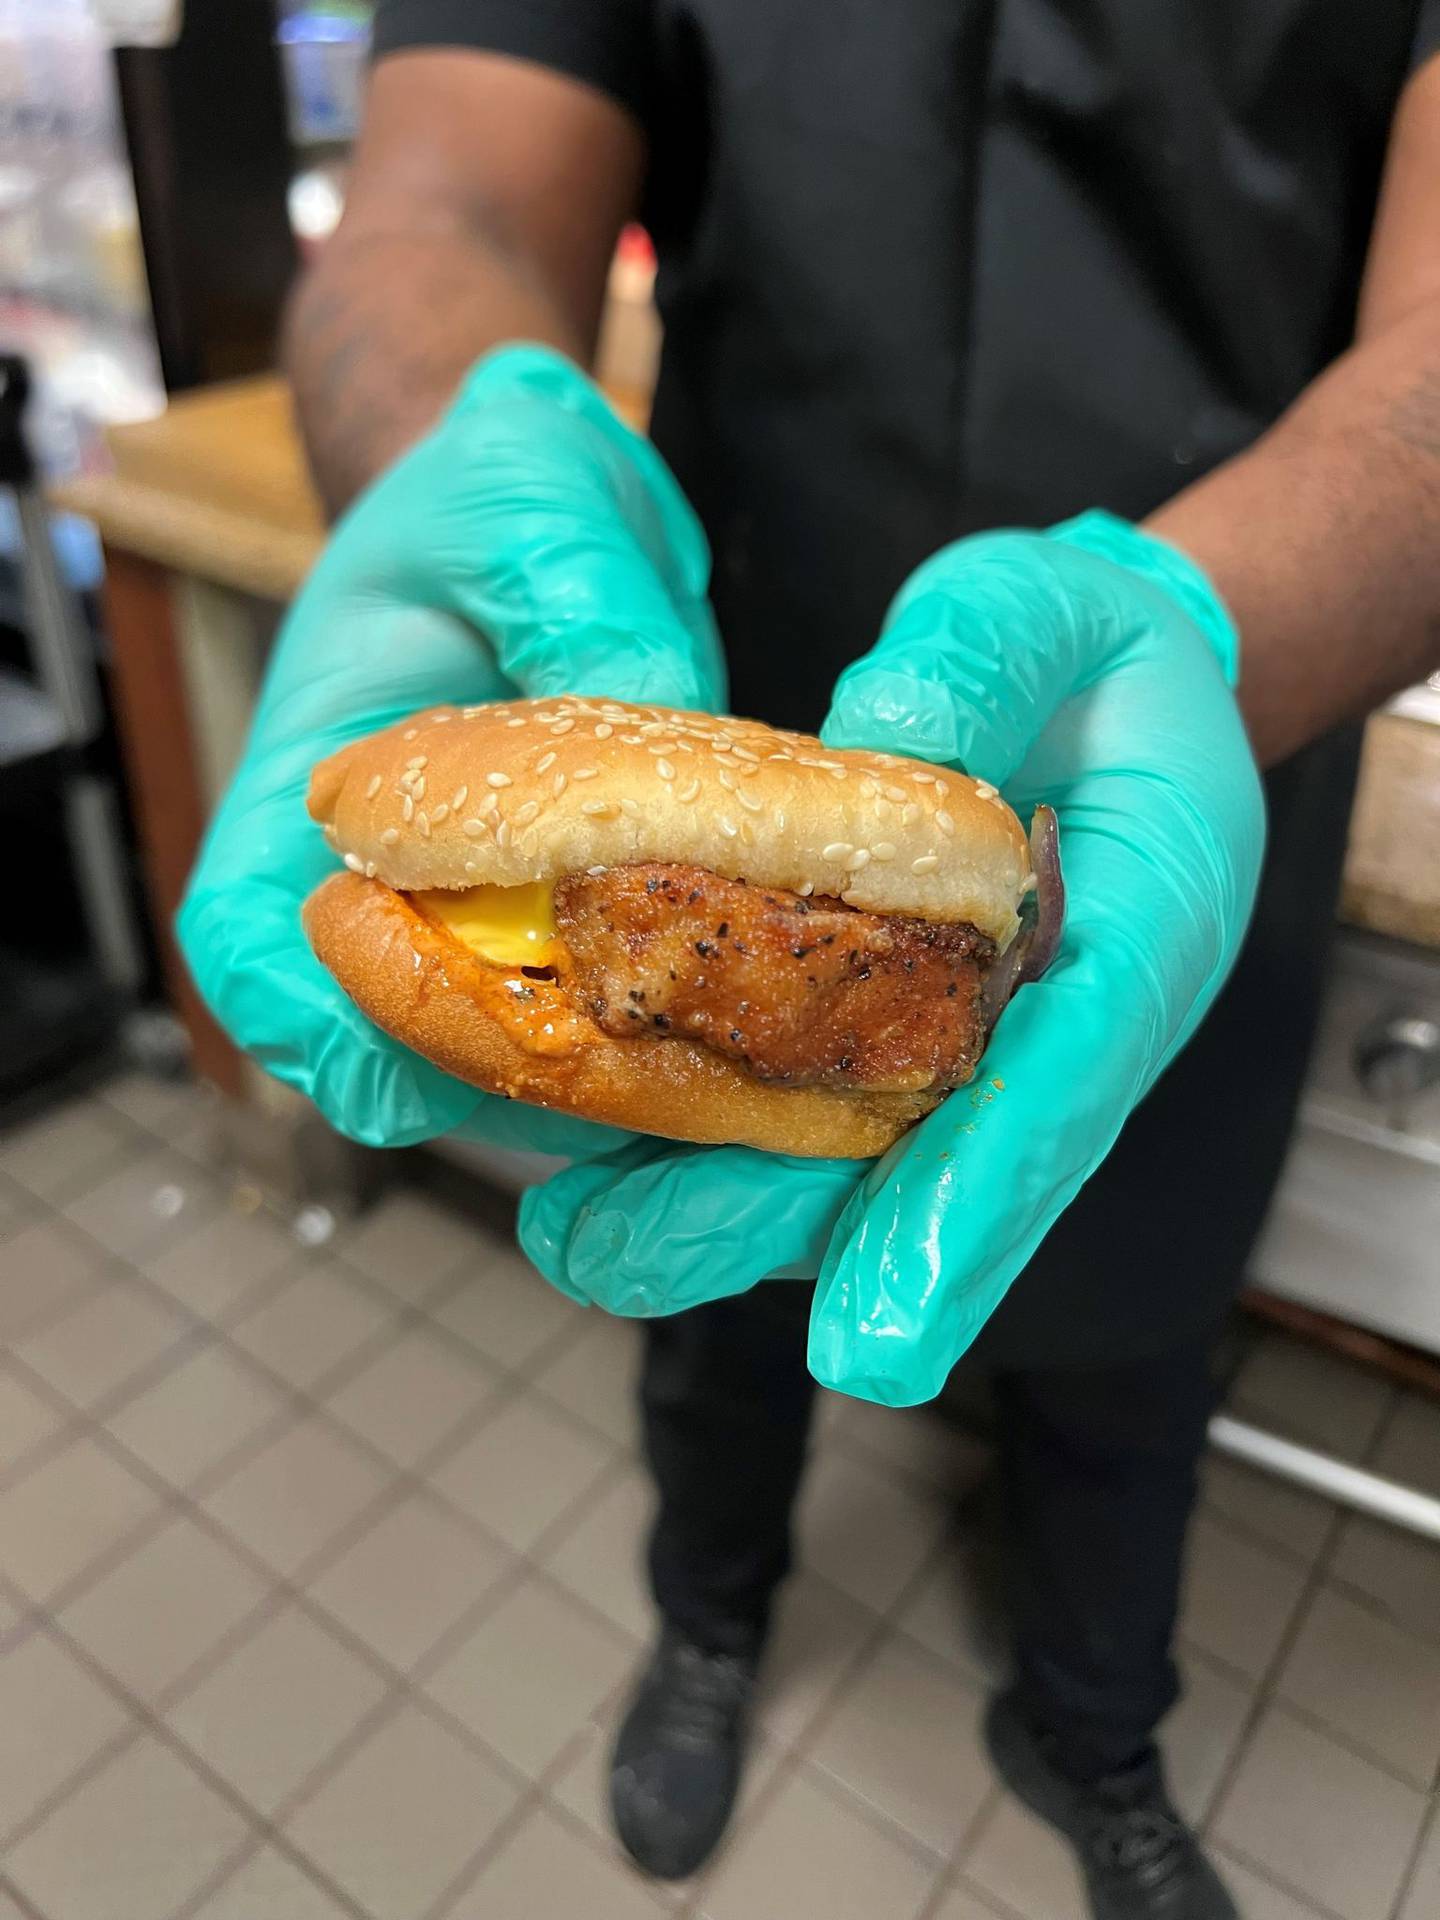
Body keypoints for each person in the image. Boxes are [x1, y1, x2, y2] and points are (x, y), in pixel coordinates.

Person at [180, 8, 1440, 1916]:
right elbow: (444, 193)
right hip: (694, 684)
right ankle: (708, 1628)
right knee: (709, 1317)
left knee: (1130, 1344)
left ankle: (1095, 1732)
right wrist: (457, 440)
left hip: (1181, 750)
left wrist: (1206, 616)